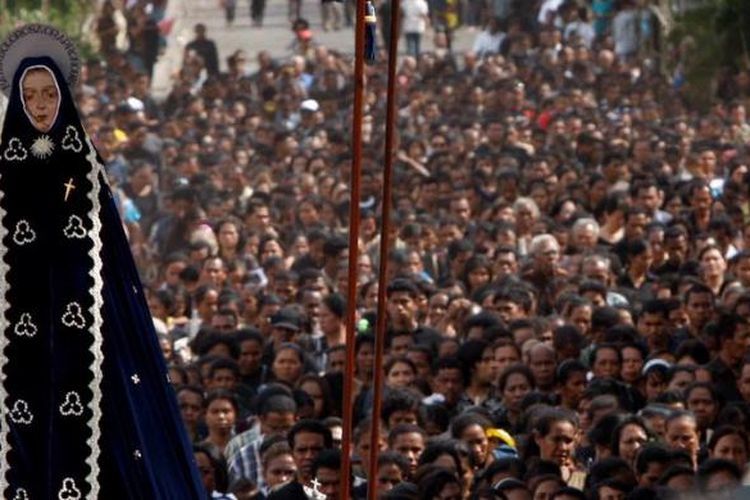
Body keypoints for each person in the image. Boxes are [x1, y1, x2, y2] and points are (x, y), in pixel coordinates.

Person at [0, 24, 204, 497]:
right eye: (30, 96)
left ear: (62, 96)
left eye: (48, 94)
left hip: (82, 317)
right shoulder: (5, 167)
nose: (40, 105)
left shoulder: (83, 165)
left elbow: (103, 251)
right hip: (17, 319)